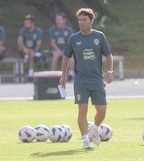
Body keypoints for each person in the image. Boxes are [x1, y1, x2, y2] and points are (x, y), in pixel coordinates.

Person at [59, 8, 114, 149]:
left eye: (84, 20)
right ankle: (85, 141)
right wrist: (63, 75)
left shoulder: (99, 36)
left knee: (102, 109)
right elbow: (66, 57)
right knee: (82, 110)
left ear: (91, 21)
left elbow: (108, 55)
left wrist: (110, 72)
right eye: (79, 20)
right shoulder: (73, 38)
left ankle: (94, 128)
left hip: (97, 79)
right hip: (81, 80)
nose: (81, 22)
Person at [49, 13, 75, 81]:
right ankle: (52, 75)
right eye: (57, 19)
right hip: (56, 50)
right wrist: (58, 50)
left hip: (66, 49)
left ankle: (70, 74)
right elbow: (52, 42)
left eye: (59, 19)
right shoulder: (53, 29)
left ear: (64, 20)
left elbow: (70, 42)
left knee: (71, 56)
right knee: (55, 55)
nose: (57, 21)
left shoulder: (69, 30)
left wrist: (65, 50)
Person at [17, 14, 43, 82]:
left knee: (31, 54)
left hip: (34, 51)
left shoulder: (38, 31)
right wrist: (24, 49)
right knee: (29, 53)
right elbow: (20, 41)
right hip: (24, 51)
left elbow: (39, 43)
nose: (26, 24)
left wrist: (34, 51)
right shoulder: (22, 31)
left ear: (32, 23)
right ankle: (31, 75)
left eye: (27, 23)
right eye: (25, 23)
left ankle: (31, 75)